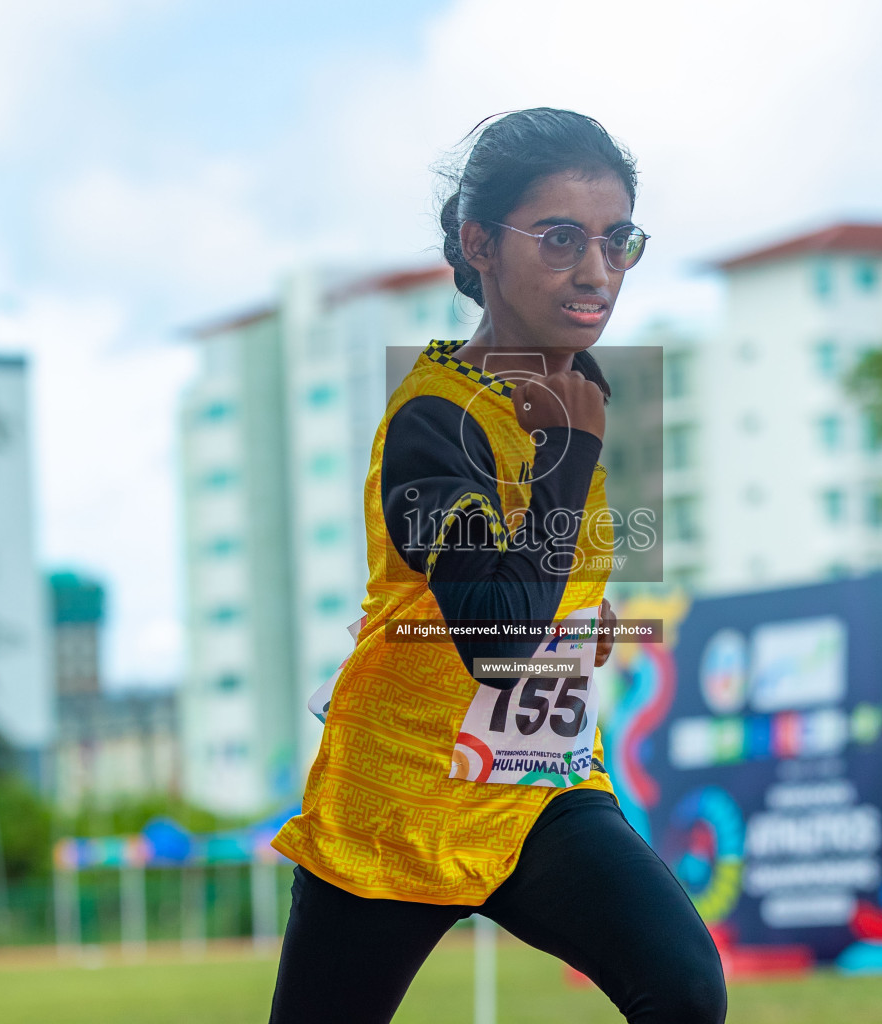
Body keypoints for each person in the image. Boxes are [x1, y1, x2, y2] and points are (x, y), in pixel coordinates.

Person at [268, 107, 726, 1024]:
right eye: (560, 239)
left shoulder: (570, 395)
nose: (596, 272)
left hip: (536, 789)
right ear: (479, 243)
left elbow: (528, 606)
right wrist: (568, 458)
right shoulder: (441, 417)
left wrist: (577, 635)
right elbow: (497, 638)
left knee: (682, 990)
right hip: (402, 799)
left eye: (616, 240)